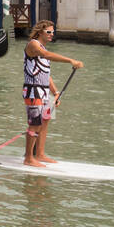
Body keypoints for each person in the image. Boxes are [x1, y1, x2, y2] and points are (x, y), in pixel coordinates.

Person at [23, 19, 83, 167]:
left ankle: (40, 154)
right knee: (34, 124)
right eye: (48, 32)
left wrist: (55, 93)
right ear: (39, 32)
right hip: (33, 90)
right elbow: (47, 55)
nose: (51, 35)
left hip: (44, 91)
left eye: (53, 32)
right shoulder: (33, 45)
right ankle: (28, 158)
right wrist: (70, 61)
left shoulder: (42, 48)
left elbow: (45, 74)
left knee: (45, 121)